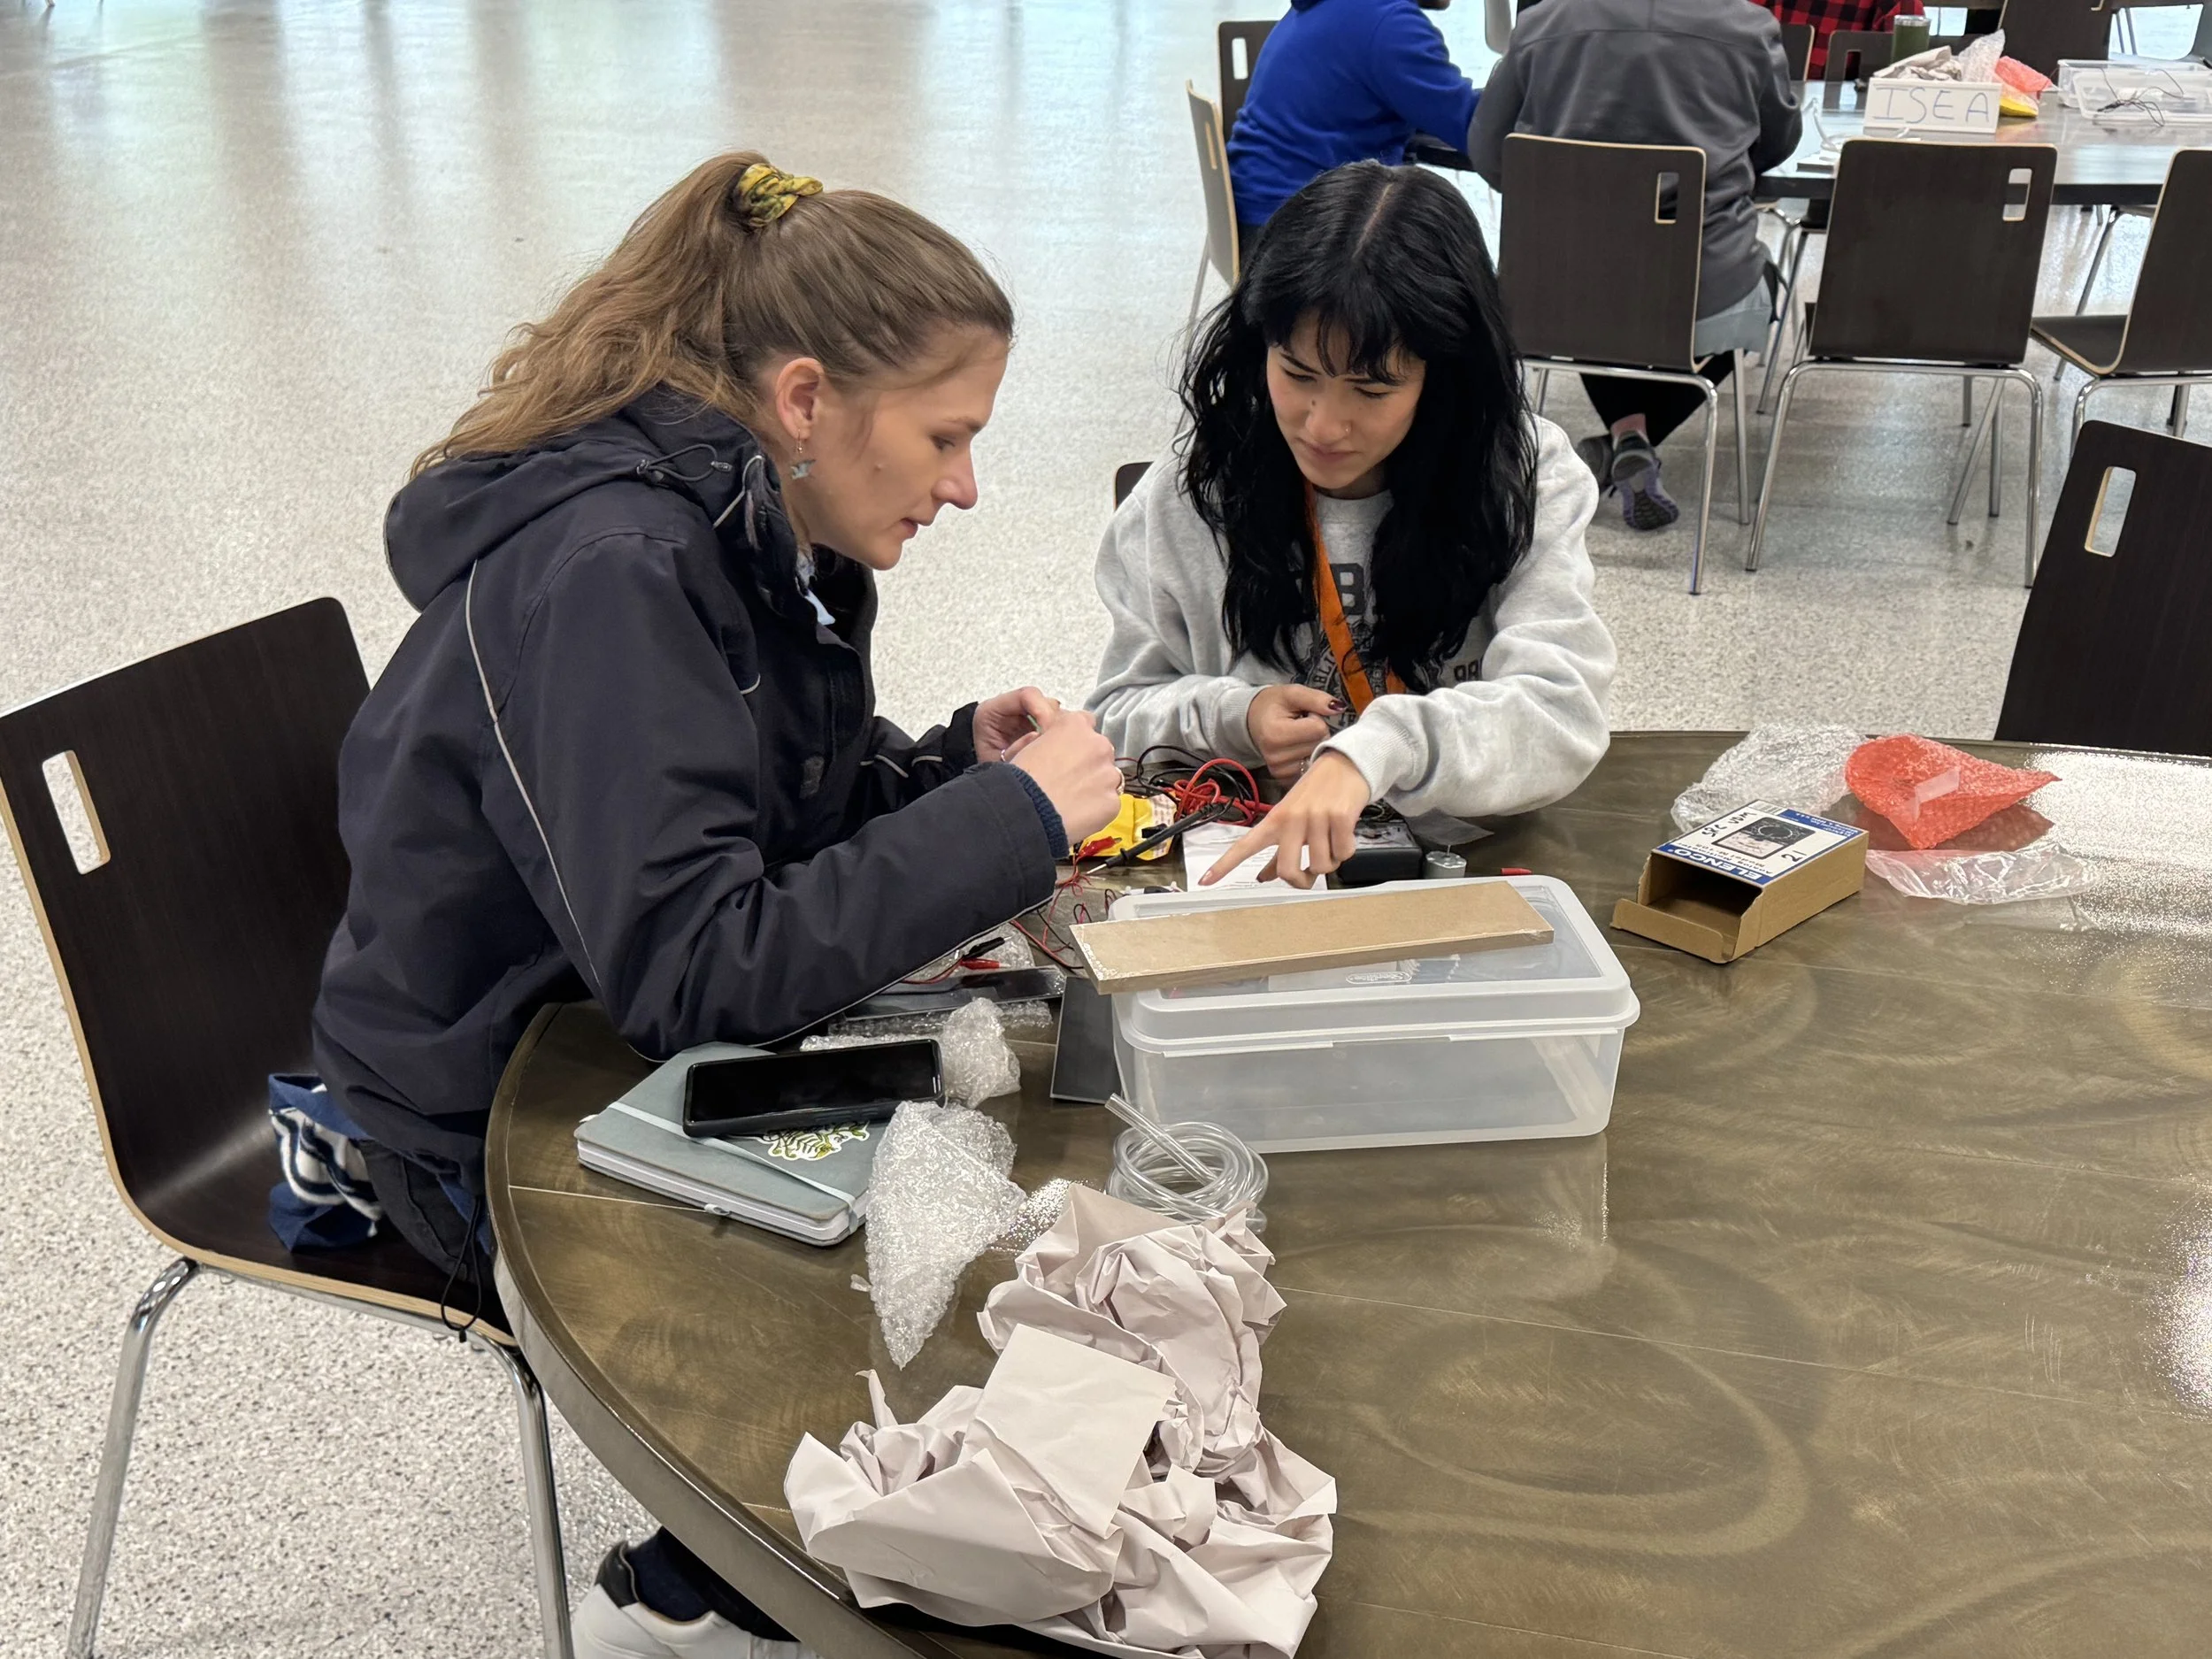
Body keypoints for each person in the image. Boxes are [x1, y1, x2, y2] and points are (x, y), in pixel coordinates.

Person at [311, 152, 1123, 1659]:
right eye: (947, 437)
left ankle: (765, 1546)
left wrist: (949, 772)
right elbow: (700, 967)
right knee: (952, 1199)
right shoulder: (615, 566)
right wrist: (1009, 824)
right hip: (478, 1103)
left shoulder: (750, 523)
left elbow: (763, 817)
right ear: (807, 401)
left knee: (1011, 1126)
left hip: (587, 1022)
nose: (965, 486)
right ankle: (736, 1570)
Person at [1087, 161, 1614, 890]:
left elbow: (1561, 715)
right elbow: (1113, 718)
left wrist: (1378, 749)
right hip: (1261, 878)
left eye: (1372, 388)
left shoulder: (1525, 478)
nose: (1324, 425)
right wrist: (1236, 717)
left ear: (1443, 376)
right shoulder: (1191, 498)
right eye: (1296, 373)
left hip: (1473, 871)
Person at [1471, 0, 1801, 531]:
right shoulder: (1748, 26)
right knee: (1762, 293)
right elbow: (1779, 142)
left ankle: (1624, 438)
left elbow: (1488, 151)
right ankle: (1630, 440)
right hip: (1702, 285)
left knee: (1595, 305)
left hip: (1557, 285)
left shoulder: (1542, 22)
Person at [1226, 0, 1481, 250]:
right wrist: (1518, 64)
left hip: (1258, 215)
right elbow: (1475, 127)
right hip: (1298, 237)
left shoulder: (1336, 7)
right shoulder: (1389, 23)